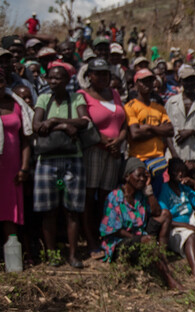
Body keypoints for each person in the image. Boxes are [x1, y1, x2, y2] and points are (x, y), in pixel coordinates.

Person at [32, 66, 91, 268]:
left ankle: (73, 254)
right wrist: (65, 126)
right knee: (49, 210)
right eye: (51, 78)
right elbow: (36, 126)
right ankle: (52, 255)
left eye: (59, 78)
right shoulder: (42, 99)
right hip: (48, 162)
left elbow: (84, 122)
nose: (55, 82)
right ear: (47, 80)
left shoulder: (76, 99)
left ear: (67, 80)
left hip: (71, 160)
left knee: (71, 209)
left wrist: (55, 121)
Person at [99, 157, 182, 290]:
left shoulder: (140, 196)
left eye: (145, 176)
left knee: (165, 214)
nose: (142, 179)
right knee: (146, 240)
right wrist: (138, 240)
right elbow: (114, 229)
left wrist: (149, 189)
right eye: (139, 176)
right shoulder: (114, 197)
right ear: (127, 177)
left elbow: (156, 212)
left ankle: (162, 256)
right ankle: (169, 280)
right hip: (121, 242)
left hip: (140, 236)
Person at [78, 58, 128, 258]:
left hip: (114, 151)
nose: (102, 77)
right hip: (94, 150)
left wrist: (119, 141)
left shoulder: (114, 93)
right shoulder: (83, 96)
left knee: (106, 197)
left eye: (105, 73)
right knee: (89, 196)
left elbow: (124, 123)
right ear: (89, 75)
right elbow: (87, 123)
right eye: (97, 73)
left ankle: (104, 234)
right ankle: (90, 239)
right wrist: (105, 141)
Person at [124, 69, 174, 196]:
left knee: (156, 196)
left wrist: (149, 127)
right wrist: (159, 130)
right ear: (136, 84)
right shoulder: (130, 106)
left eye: (150, 80)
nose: (147, 84)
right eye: (143, 81)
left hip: (157, 161)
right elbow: (135, 134)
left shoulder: (159, 107)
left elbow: (170, 130)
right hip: (139, 160)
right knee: (141, 197)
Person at [0, 68, 32, 253]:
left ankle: (13, 254)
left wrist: (25, 167)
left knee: (9, 212)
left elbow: (26, 139)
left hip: (12, 168)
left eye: (1, 79)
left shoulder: (16, 104)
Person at [165, 65, 195, 168]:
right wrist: (174, 155)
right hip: (175, 156)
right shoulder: (171, 102)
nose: (190, 83)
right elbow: (166, 132)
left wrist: (192, 132)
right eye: (186, 80)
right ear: (180, 81)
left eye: (192, 80)